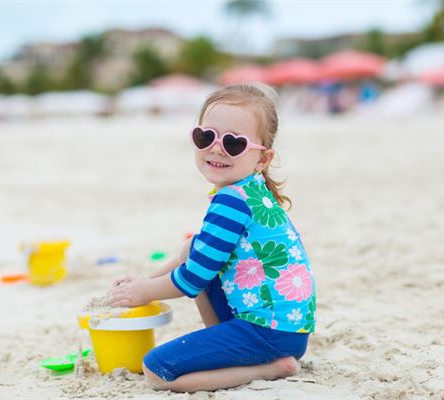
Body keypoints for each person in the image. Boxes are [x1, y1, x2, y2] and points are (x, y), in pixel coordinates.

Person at [105, 84, 316, 392]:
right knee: (193, 247)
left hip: (269, 333)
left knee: (157, 369)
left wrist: (145, 292)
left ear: (262, 159)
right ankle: (234, 347)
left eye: (233, 143)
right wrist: (142, 282)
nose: (216, 148)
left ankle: (271, 368)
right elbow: (197, 255)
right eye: (206, 137)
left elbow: (191, 280)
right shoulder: (249, 190)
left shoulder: (232, 201)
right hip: (285, 328)